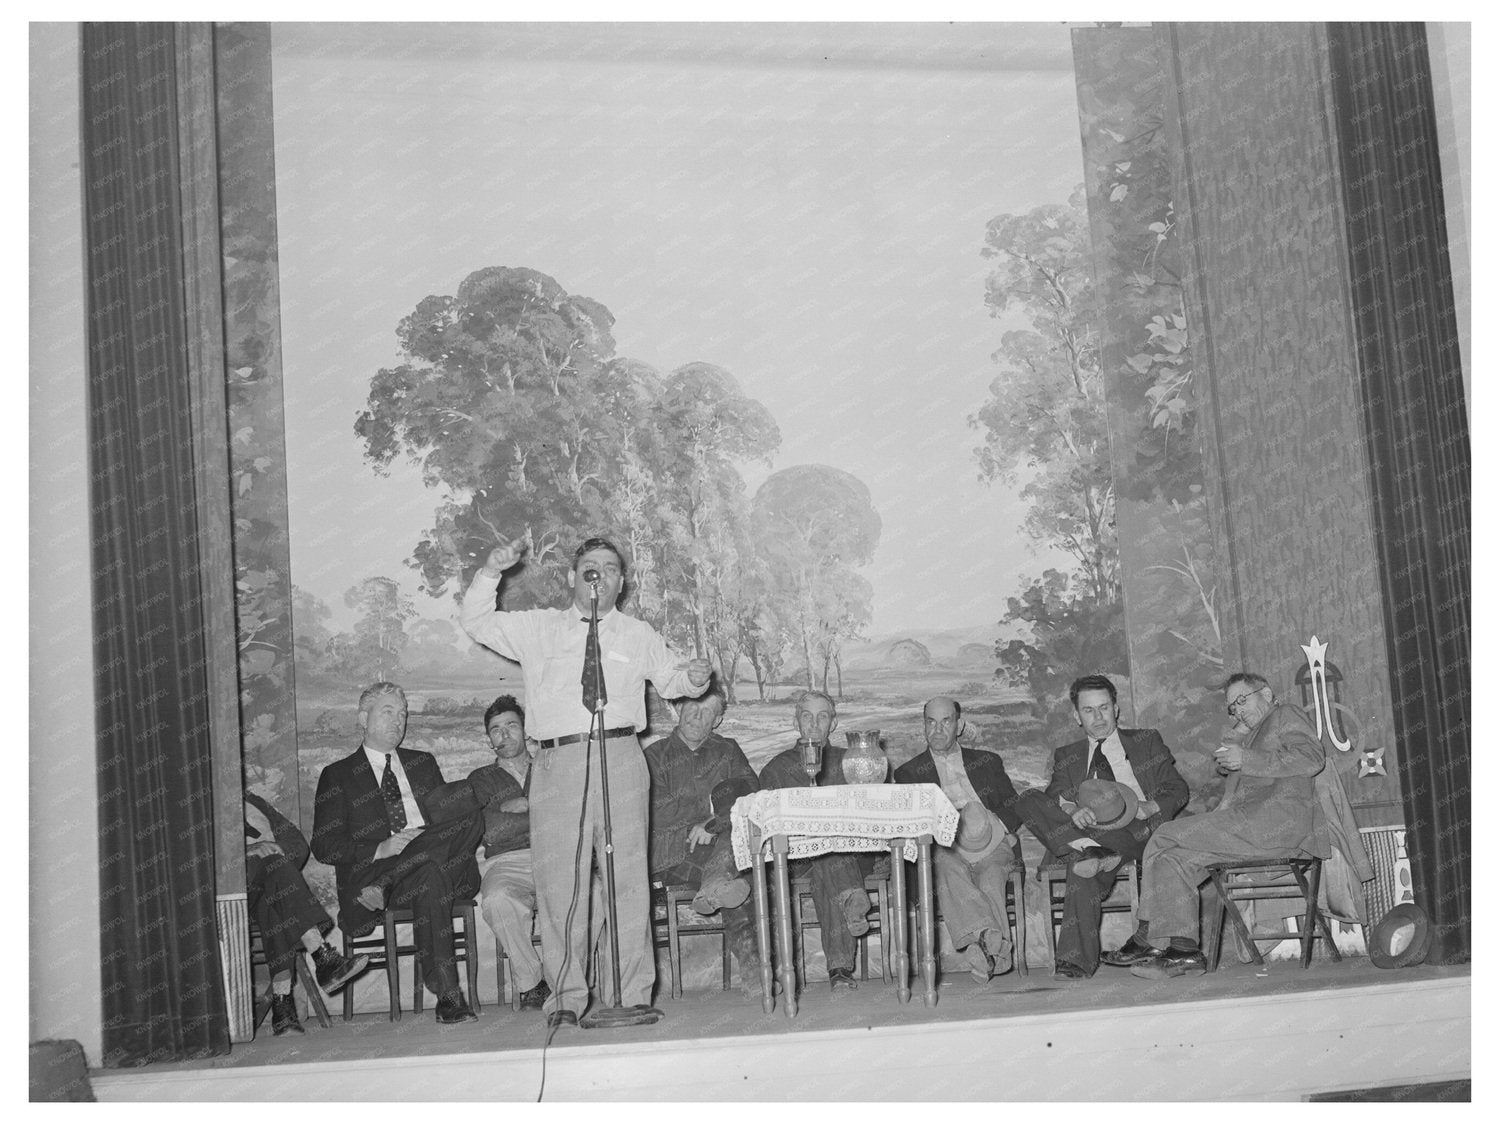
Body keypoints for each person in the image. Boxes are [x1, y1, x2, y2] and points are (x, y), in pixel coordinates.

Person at [459, 536, 711, 1028]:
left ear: (621, 581)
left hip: (621, 756)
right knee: (560, 883)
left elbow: (675, 682)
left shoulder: (638, 633)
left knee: (629, 880)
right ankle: (567, 997)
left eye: (610, 568)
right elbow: (476, 622)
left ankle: (632, 993)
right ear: (573, 577)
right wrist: (491, 571)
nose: (599, 575)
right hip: (558, 763)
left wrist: (696, 678)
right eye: (589, 567)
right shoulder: (537, 628)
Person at [1113, 672, 1327, 979]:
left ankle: (1146, 934)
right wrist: (1238, 747)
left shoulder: (1285, 714)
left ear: (1266, 693)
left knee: (1164, 834)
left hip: (1278, 823)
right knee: (1174, 860)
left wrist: (1247, 758)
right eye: (1232, 707)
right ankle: (1184, 951)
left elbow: (1311, 758)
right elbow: (1250, 765)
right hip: (1249, 829)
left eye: (1242, 700)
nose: (1238, 710)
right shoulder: (1252, 732)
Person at [311, 681, 484, 1024]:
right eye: (388, 711)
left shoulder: (423, 763)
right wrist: (380, 847)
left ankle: (393, 878)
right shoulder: (338, 775)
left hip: (438, 869)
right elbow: (324, 846)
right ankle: (449, 997)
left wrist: (422, 841)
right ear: (363, 718)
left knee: (470, 810)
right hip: (376, 879)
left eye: (403, 714)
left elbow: (448, 825)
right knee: (428, 874)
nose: (398, 720)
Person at [1014, 674, 1189, 979]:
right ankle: (1088, 849)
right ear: (1077, 716)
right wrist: (1071, 809)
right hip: (1083, 832)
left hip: (1133, 828)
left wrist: (1149, 806)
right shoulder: (1067, 756)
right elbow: (1054, 797)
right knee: (1029, 799)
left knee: (1083, 864)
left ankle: (1074, 960)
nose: (1098, 717)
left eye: (1104, 708)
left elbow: (1177, 789)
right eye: (1089, 710)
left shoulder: (1146, 741)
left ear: (1116, 708)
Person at [893, 697, 1024, 982]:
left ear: (959, 725)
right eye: (931, 722)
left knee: (991, 877)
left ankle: (984, 948)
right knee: (942, 864)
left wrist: (1000, 826)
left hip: (991, 840)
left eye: (946, 721)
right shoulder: (908, 773)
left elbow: (1013, 803)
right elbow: (913, 823)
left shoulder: (987, 761)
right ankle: (991, 945)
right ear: (924, 727)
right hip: (946, 846)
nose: (938, 730)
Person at [643, 682, 761, 996]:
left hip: (720, 847)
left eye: (708, 711)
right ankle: (755, 974)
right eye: (692, 707)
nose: (698, 716)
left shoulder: (728, 749)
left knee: (737, 872)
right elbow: (655, 809)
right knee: (737, 859)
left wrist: (714, 824)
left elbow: (750, 794)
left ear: (718, 720)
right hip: (673, 855)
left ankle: (715, 886)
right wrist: (712, 814)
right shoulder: (654, 755)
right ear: (678, 709)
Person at [757, 689, 876, 990]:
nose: (813, 724)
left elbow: (874, 807)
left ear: (833, 724)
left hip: (852, 855)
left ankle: (840, 966)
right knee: (825, 855)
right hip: (796, 859)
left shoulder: (852, 761)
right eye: (806, 716)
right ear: (796, 721)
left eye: (822, 717)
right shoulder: (777, 767)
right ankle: (841, 962)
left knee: (830, 857)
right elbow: (765, 819)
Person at [244, 791, 370, 1035]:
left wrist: (275, 848)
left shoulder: (253, 802)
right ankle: (322, 957)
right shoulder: (203, 811)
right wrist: (247, 852)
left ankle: (283, 1007)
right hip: (235, 896)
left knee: (273, 900)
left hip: (271, 894)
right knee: (275, 872)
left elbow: (298, 847)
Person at [467, 695, 548, 1012]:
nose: (504, 734)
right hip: (506, 862)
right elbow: (491, 830)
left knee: (595, 894)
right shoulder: (480, 779)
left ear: (525, 730)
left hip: (558, 855)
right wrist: (540, 813)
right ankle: (533, 984)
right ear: (489, 740)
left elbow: (569, 817)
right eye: (496, 729)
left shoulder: (550, 765)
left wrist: (525, 806)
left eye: (511, 725)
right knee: (497, 899)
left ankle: (571, 980)